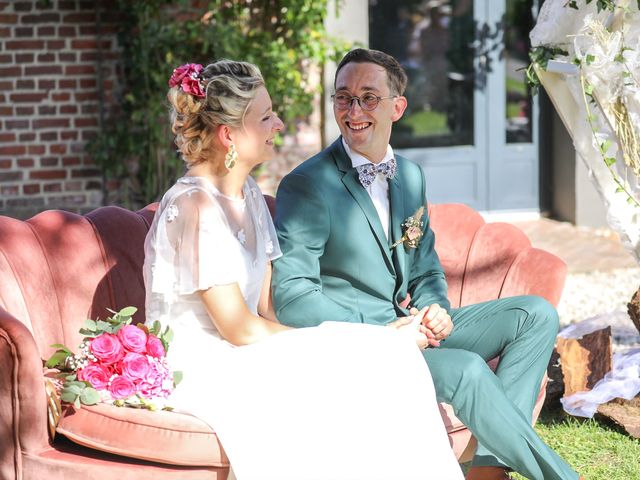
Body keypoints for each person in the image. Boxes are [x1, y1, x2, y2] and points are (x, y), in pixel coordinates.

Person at [143, 59, 463, 480]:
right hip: (206, 363)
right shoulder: (195, 206)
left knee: (384, 357)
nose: (278, 124)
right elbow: (239, 327)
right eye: (265, 117)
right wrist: (348, 341)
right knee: (373, 354)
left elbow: (269, 308)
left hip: (247, 345)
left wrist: (352, 343)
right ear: (229, 135)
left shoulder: (250, 195)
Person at [272, 48, 582, 480]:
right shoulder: (308, 184)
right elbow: (291, 296)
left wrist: (436, 309)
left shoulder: (410, 175)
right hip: (358, 346)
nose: (354, 110)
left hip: (413, 327)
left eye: (368, 98)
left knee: (536, 315)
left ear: (398, 107)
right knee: (468, 370)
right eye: (343, 98)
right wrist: (382, 332)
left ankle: (487, 472)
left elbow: (426, 267)